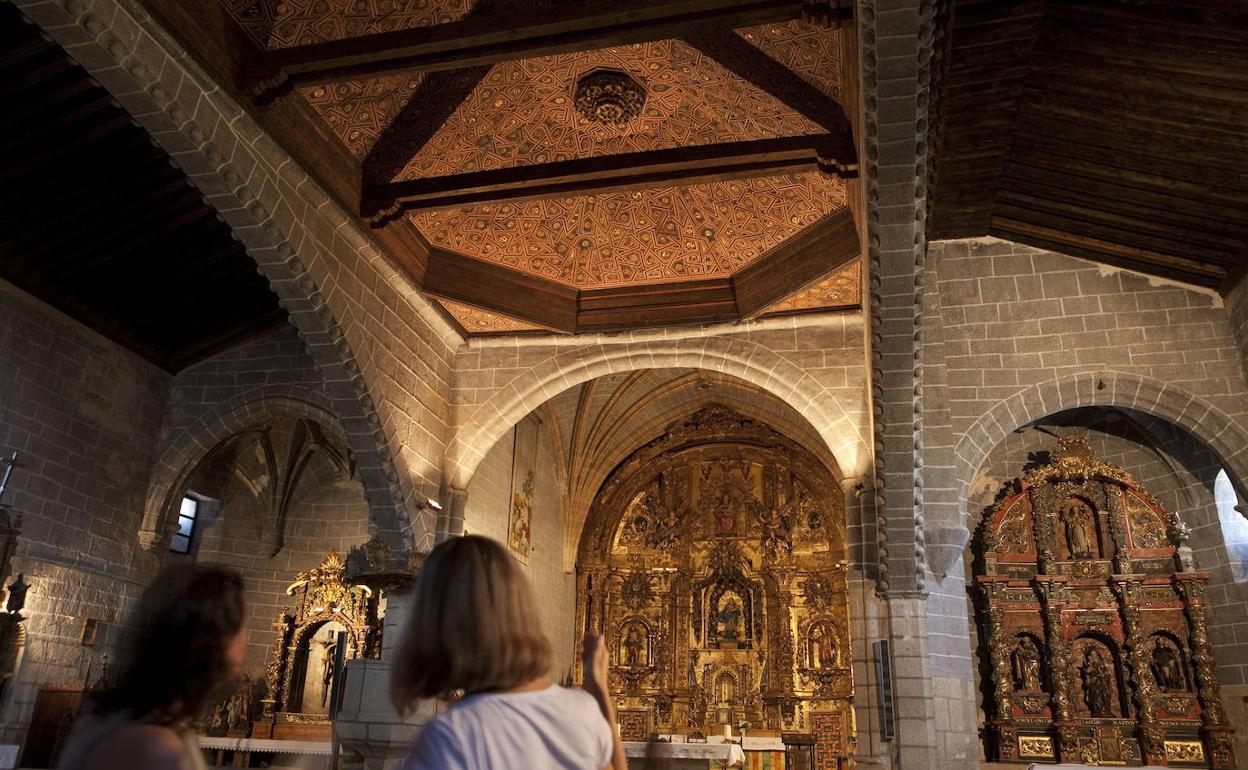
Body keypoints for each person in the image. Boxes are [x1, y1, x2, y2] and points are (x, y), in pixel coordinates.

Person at [391, 535, 627, 770]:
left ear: (436, 621)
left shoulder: (450, 738)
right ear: (522, 611)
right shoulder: (581, 711)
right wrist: (599, 688)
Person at [58, 564, 247, 770]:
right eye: (244, 627)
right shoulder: (154, 749)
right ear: (217, 641)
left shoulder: (126, 721)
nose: (247, 639)